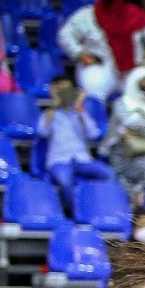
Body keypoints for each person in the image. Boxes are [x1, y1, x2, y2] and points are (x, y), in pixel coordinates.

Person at [58, 0, 145, 101]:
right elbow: (65, 35)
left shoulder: (134, 13)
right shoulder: (87, 15)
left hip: (132, 68)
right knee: (93, 89)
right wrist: (81, 54)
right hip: (100, 66)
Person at [40, 78, 113, 210]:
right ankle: (79, 212)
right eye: (60, 90)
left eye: (67, 90)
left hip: (82, 160)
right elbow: (42, 132)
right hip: (59, 161)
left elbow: (94, 134)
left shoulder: (80, 114)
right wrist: (54, 107)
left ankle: (103, 210)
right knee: (65, 181)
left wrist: (80, 109)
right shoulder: (49, 114)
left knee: (109, 174)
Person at [104, 66, 145, 198]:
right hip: (124, 154)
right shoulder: (121, 104)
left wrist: (139, 129)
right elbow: (130, 123)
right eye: (143, 84)